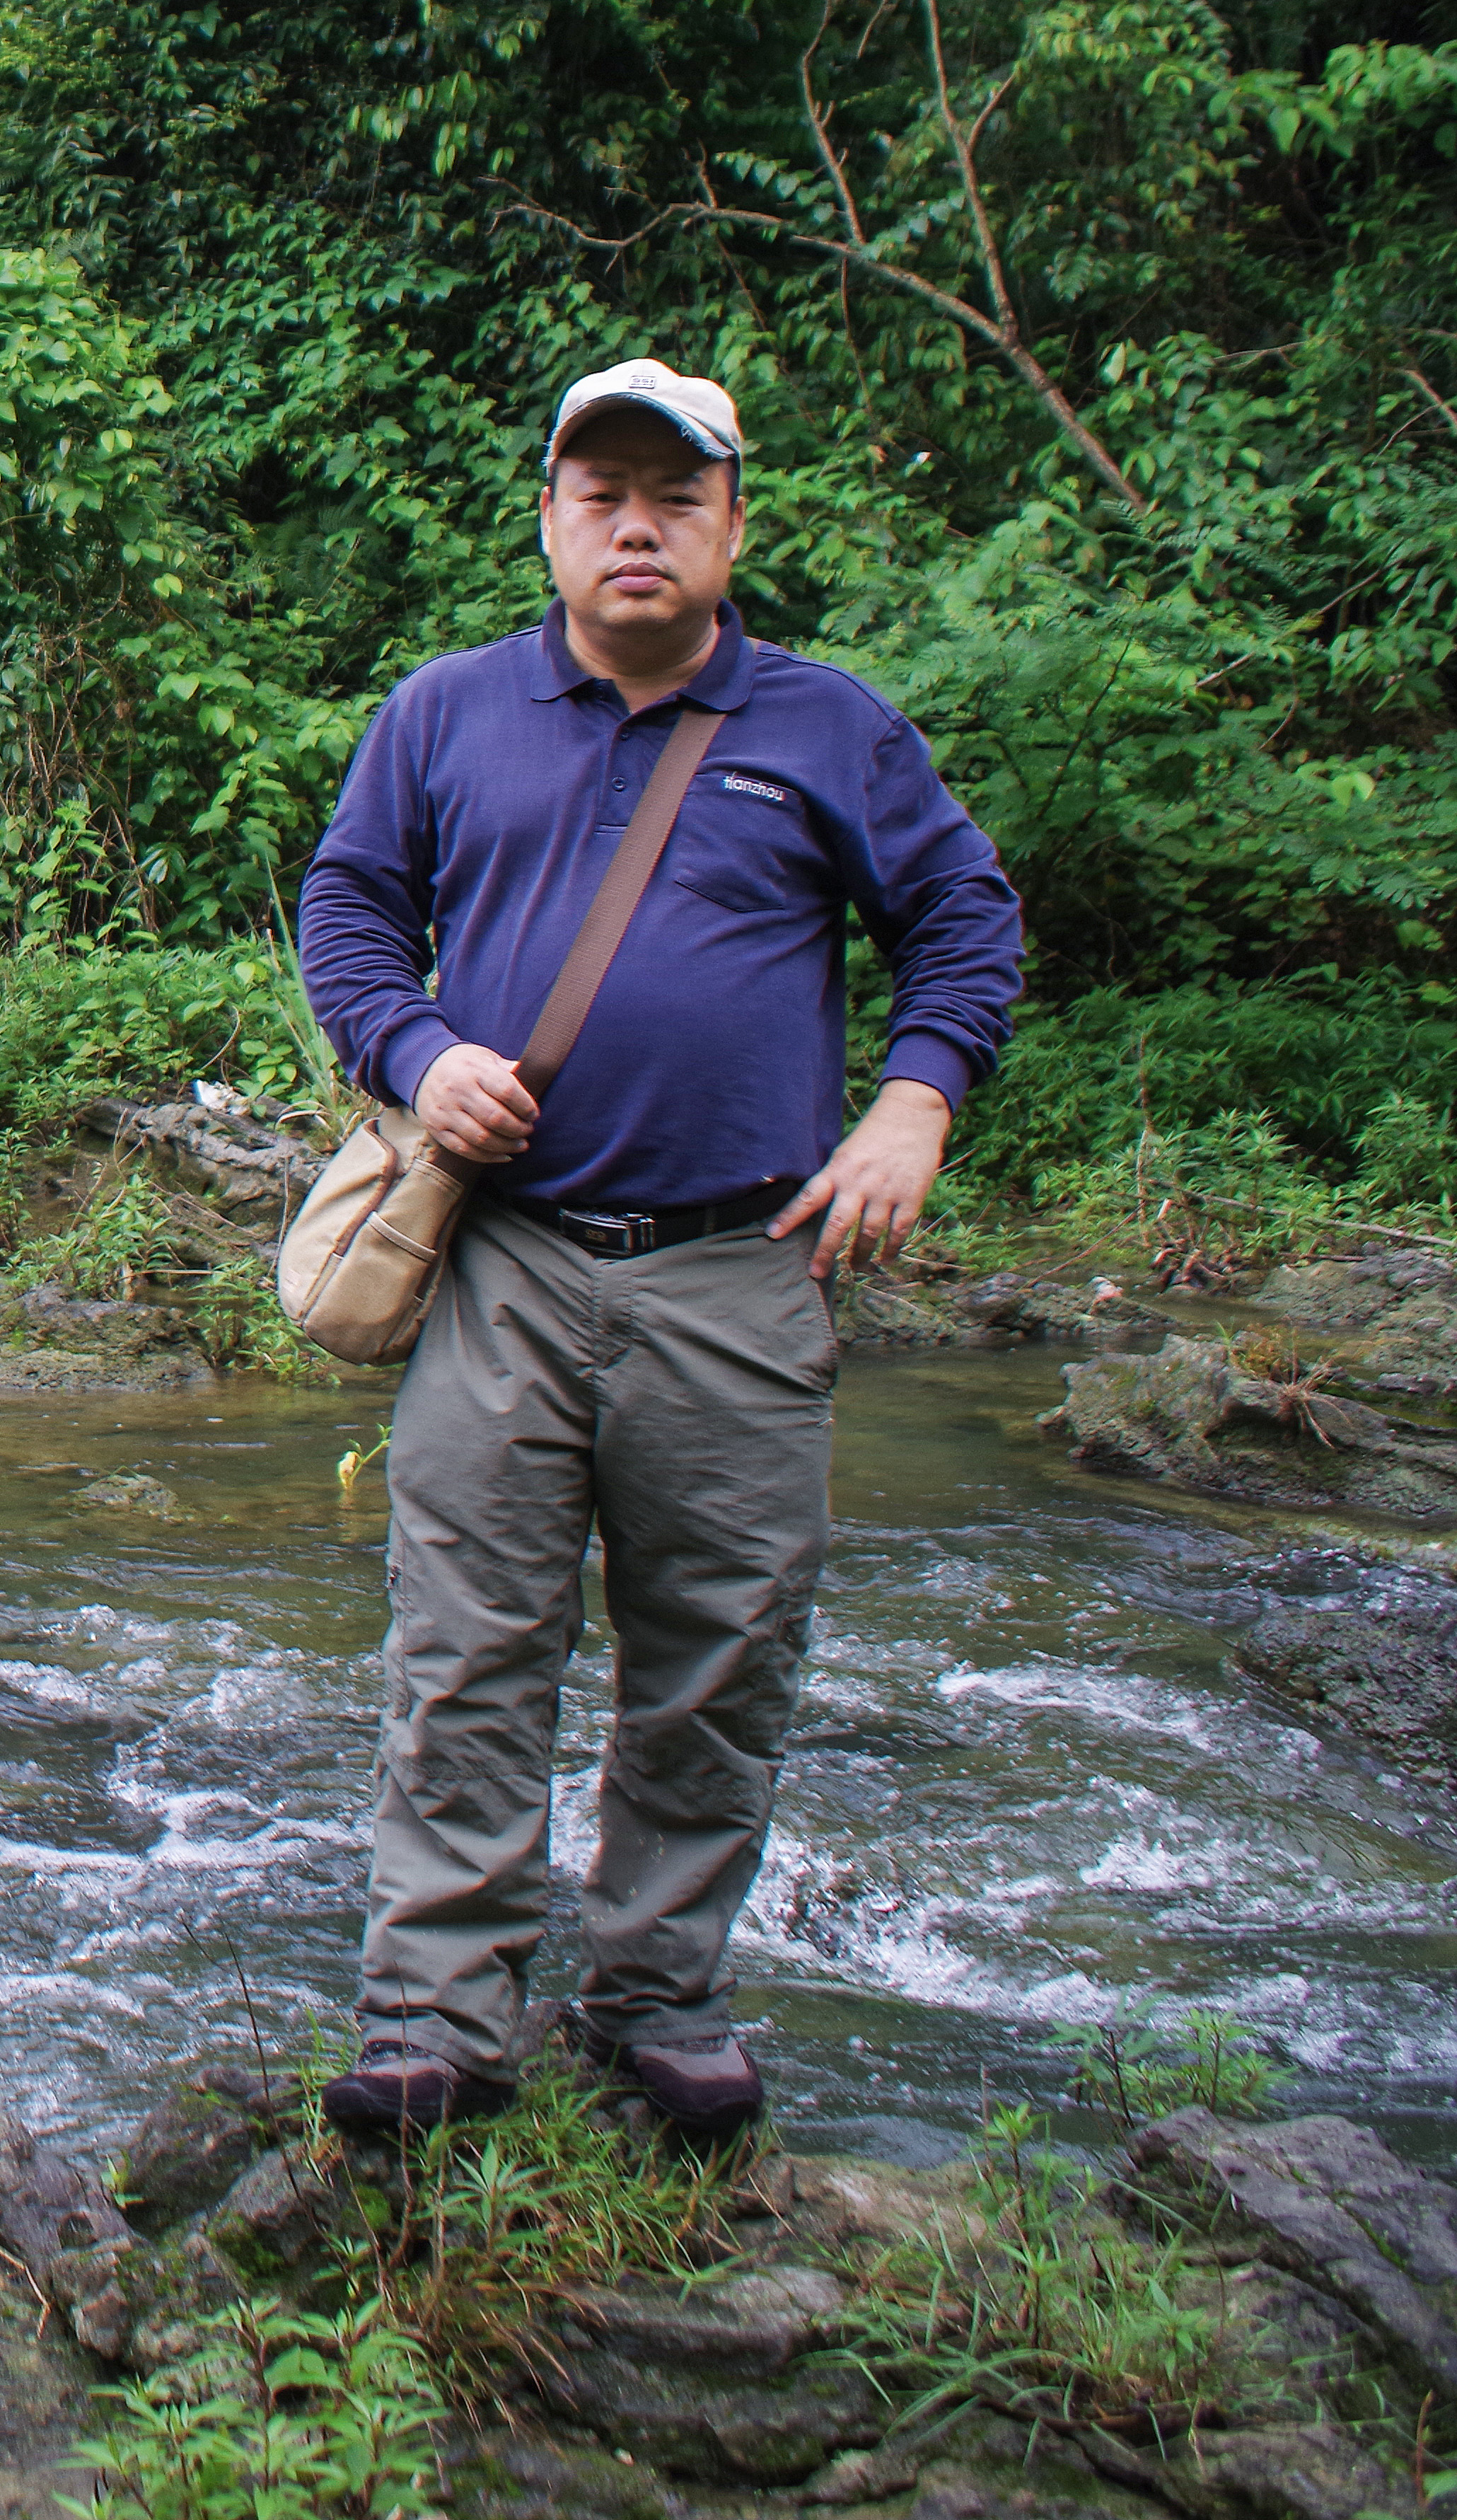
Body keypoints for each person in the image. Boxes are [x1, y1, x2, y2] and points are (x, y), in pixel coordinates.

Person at [290, 357, 1024, 2139]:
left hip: (734, 1270)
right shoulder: (447, 710)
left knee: (717, 1648)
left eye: (671, 496)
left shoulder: (827, 727)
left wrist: (912, 1105)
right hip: (505, 1264)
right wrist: (414, 1052)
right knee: (466, 1646)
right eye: (598, 492)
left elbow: (963, 917)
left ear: (727, 526)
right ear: (546, 517)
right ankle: (435, 2015)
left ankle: (654, 1993)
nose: (634, 524)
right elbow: (346, 905)